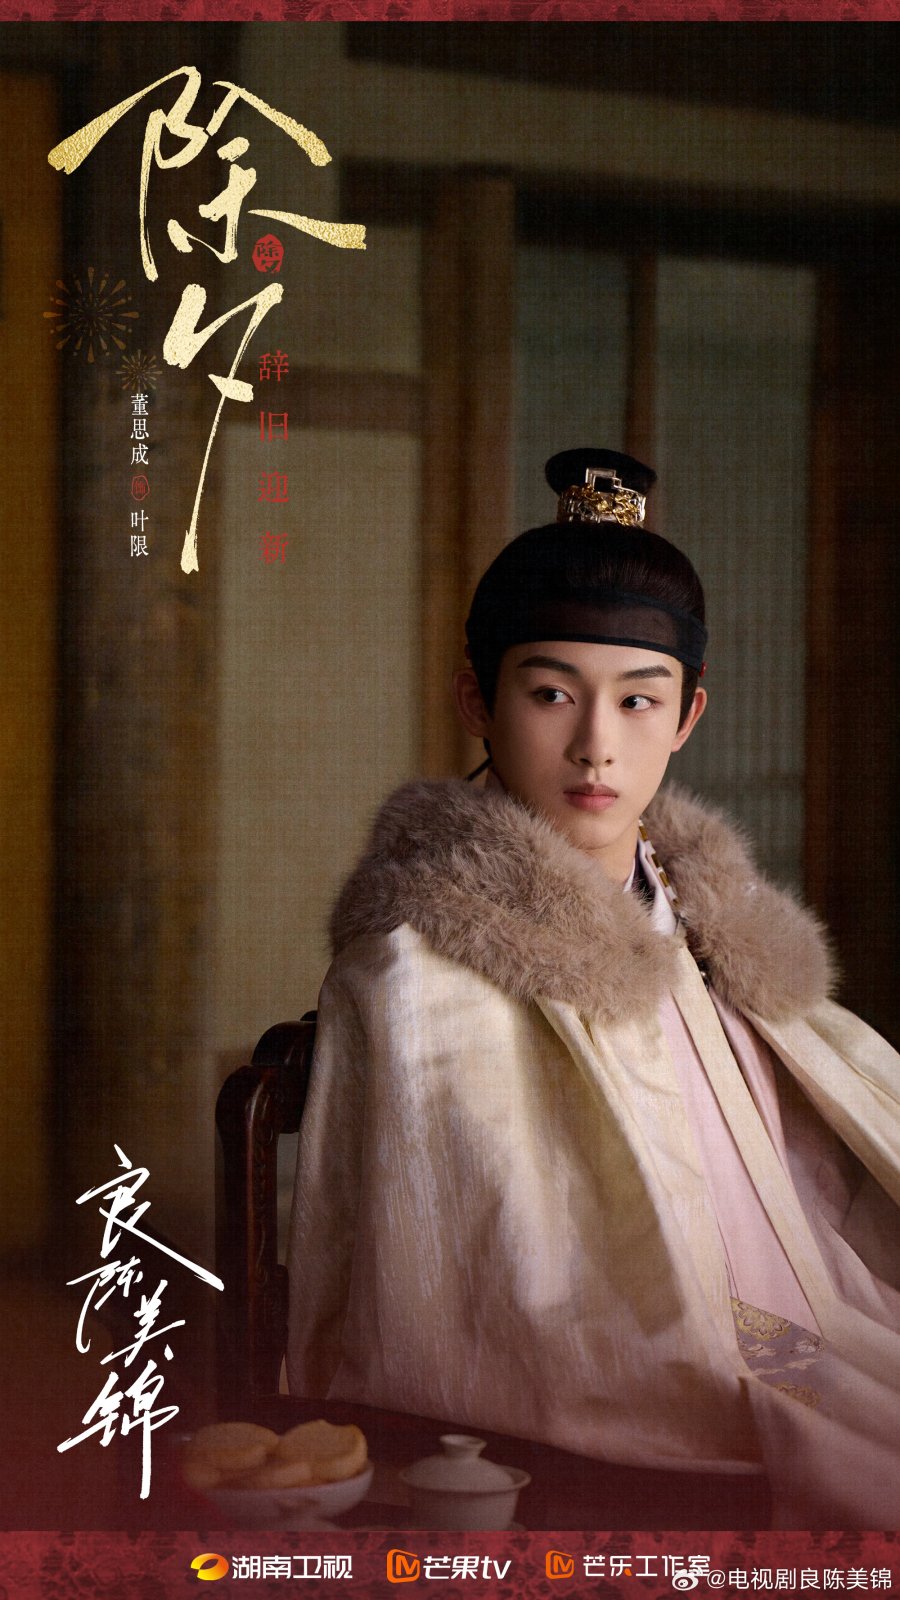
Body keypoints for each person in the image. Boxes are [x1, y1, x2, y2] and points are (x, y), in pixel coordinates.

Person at [286, 449, 900, 1527]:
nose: (596, 747)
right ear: (478, 699)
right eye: (550, 693)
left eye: (639, 699)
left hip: (788, 1324)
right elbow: (467, 1288)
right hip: (625, 1364)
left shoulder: (702, 920)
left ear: (688, 715)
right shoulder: (418, 962)